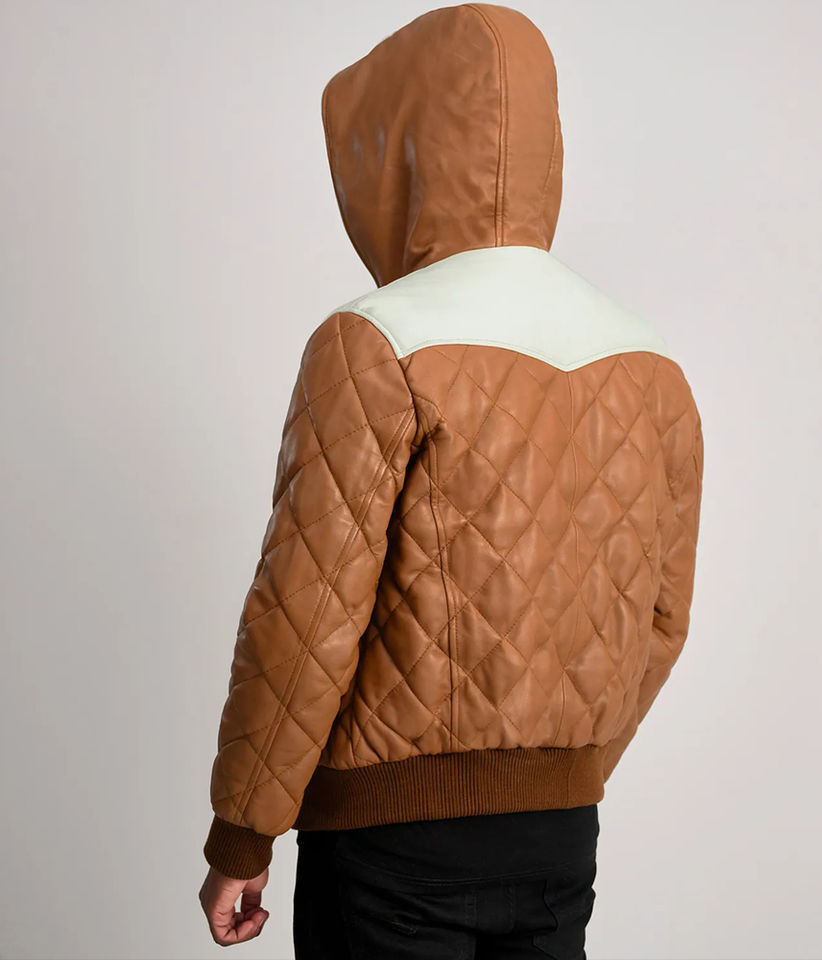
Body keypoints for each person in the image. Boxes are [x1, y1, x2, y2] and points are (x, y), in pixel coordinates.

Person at [197, 3, 705, 958]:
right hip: (560, 845)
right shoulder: (651, 363)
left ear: (405, 151)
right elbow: (663, 621)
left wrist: (243, 833)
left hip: (390, 850)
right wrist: (558, 775)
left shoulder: (374, 342)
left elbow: (306, 613)